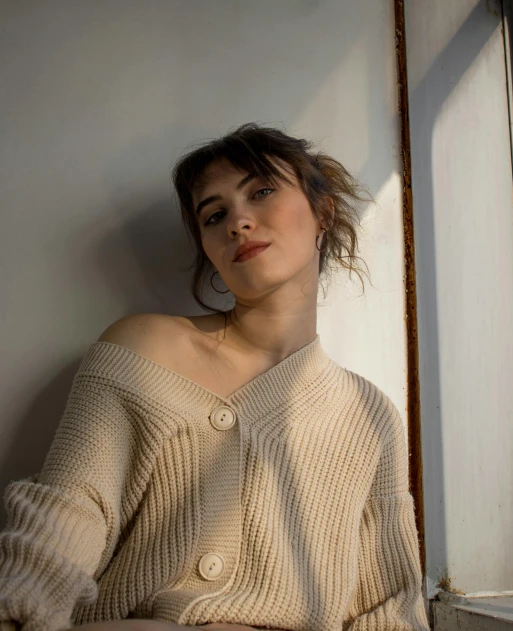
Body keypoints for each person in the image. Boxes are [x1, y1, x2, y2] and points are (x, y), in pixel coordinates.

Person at [0, 123, 429, 631]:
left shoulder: (369, 416)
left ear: (323, 212)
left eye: (262, 190)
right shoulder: (143, 348)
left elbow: (391, 610)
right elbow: (69, 513)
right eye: (215, 214)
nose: (238, 222)